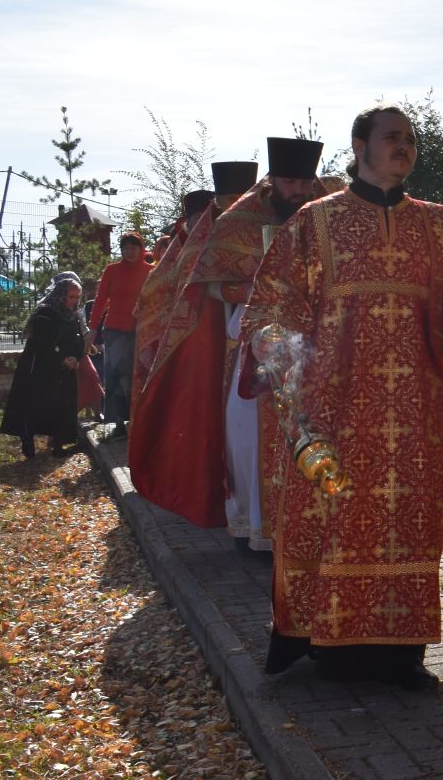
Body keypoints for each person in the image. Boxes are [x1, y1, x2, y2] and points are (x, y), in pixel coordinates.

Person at [243, 104, 443, 690]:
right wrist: (283, 359)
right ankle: (327, 641)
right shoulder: (316, 220)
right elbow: (271, 303)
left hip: (415, 410)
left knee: (406, 520)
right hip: (337, 401)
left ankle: (400, 650)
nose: (404, 147)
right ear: (360, 146)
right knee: (334, 514)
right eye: (392, 138)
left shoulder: (438, 223)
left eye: (410, 139)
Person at [194, 138, 333, 552]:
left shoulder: (327, 213)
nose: (299, 191)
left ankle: (303, 531)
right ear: (273, 180)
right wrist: (256, 287)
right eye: (290, 182)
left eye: (305, 182)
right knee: (248, 440)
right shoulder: (238, 221)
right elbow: (211, 287)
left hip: (312, 350)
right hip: (253, 352)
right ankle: (253, 529)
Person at [129, 162, 257, 526]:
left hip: (250, 340)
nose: (235, 208)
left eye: (240, 200)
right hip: (206, 342)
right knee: (207, 419)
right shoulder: (198, 240)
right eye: (229, 200)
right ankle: (213, 497)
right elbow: (171, 291)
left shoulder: (260, 226)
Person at [1, 272, 88, 460]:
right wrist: (62, 358)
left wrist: (75, 357)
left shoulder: (73, 315)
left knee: (62, 405)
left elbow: (79, 338)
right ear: (61, 294)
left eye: (77, 297)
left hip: (65, 368)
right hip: (41, 368)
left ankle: (58, 444)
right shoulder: (45, 312)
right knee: (35, 405)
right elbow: (43, 342)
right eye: (70, 297)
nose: (73, 301)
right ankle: (28, 441)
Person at [133, 189, 214, 385]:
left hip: (214, 332)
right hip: (178, 342)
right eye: (198, 218)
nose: (203, 223)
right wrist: (149, 345)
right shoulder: (175, 256)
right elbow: (150, 298)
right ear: (188, 221)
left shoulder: (221, 244)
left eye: (208, 217)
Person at [86, 231, 153, 435]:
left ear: (141, 249)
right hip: (114, 330)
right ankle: (118, 423)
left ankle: (138, 420)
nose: (130, 252)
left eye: (134, 248)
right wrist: (93, 328)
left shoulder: (152, 271)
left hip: (140, 330)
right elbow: (100, 300)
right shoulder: (112, 270)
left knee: (138, 374)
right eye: (125, 248)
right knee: (116, 373)